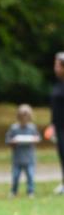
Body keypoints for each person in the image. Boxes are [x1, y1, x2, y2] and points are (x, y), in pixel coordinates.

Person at [5, 104, 40, 198]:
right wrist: (13, 142)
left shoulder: (32, 128)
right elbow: (8, 140)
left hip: (29, 158)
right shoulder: (14, 128)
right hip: (17, 159)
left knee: (30, 176)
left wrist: (34, 139)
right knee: (15, 177)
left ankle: (30, 192)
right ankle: (13, 191)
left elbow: (38, 138)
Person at [48, 51, 64, 195]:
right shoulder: (58, 84)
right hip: (59, 127)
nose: (55, 68)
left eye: (57, 65)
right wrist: (52, 125)